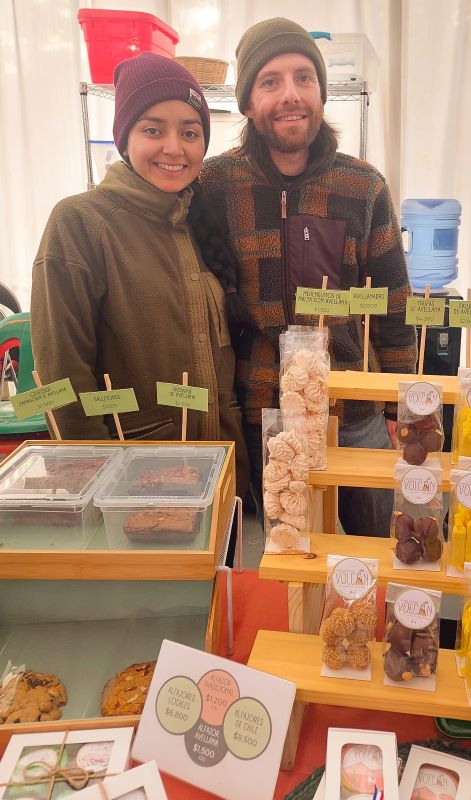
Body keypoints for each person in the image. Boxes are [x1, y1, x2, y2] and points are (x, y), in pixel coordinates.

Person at [190, 18, 417, 536]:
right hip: (265, 413)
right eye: (270, 82)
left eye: (303, 78)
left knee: (375, 552)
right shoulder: (214, 185)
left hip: (355, 409)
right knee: (289, 559)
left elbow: (396, 308)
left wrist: (402, 408)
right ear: (248, 102)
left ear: (321, 91)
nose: (291, 95)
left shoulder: (363, 186)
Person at [31, 52, 249, 498]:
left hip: (224, 472)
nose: (174, 147)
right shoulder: (80, 223)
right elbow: (60, 376)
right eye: (153, 129)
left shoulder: (202, 221)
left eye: (190, 133)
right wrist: (94, 483)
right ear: (124, 138)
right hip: (133, 484)